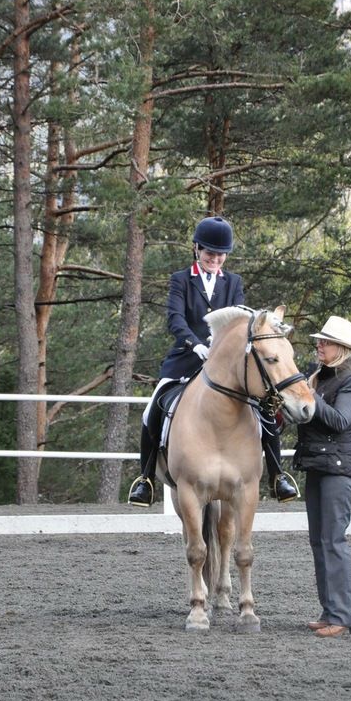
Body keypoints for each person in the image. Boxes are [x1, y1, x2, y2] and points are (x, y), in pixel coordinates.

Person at [128, 215, 300, 506]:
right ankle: (145, 480)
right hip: (187, 358)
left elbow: (241, 317)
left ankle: (277, 475)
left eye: (221, 254)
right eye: (210, 253)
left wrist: (224, 343)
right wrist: (194, 344)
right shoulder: (181, 279)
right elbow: (175, 318)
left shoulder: (233, 282)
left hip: (226, 362)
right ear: (197, 249)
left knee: (265, 408)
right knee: (152, 409)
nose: (216, 259)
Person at [293, 315, 351, 638]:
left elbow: (339, 420)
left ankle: (343, 615)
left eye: (325, 341)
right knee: (319, 542)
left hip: (338, 471)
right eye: (319, 341)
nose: (318, 345)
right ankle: (330, 610)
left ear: (341, 349)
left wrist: (309, 396)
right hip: (318, 467)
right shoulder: (318, 377)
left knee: (333, 542)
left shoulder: (349, 382)